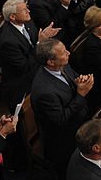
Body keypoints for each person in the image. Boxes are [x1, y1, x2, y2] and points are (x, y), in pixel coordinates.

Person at [31, 39, 93, 175]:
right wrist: (81, 94)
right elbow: (61, 120)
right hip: (65, 144)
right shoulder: (44, 92)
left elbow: (73, 78)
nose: (68, 53)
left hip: (80, 125)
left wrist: (79, 81)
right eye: (64, 53)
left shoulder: (62, 65)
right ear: (50, 62)